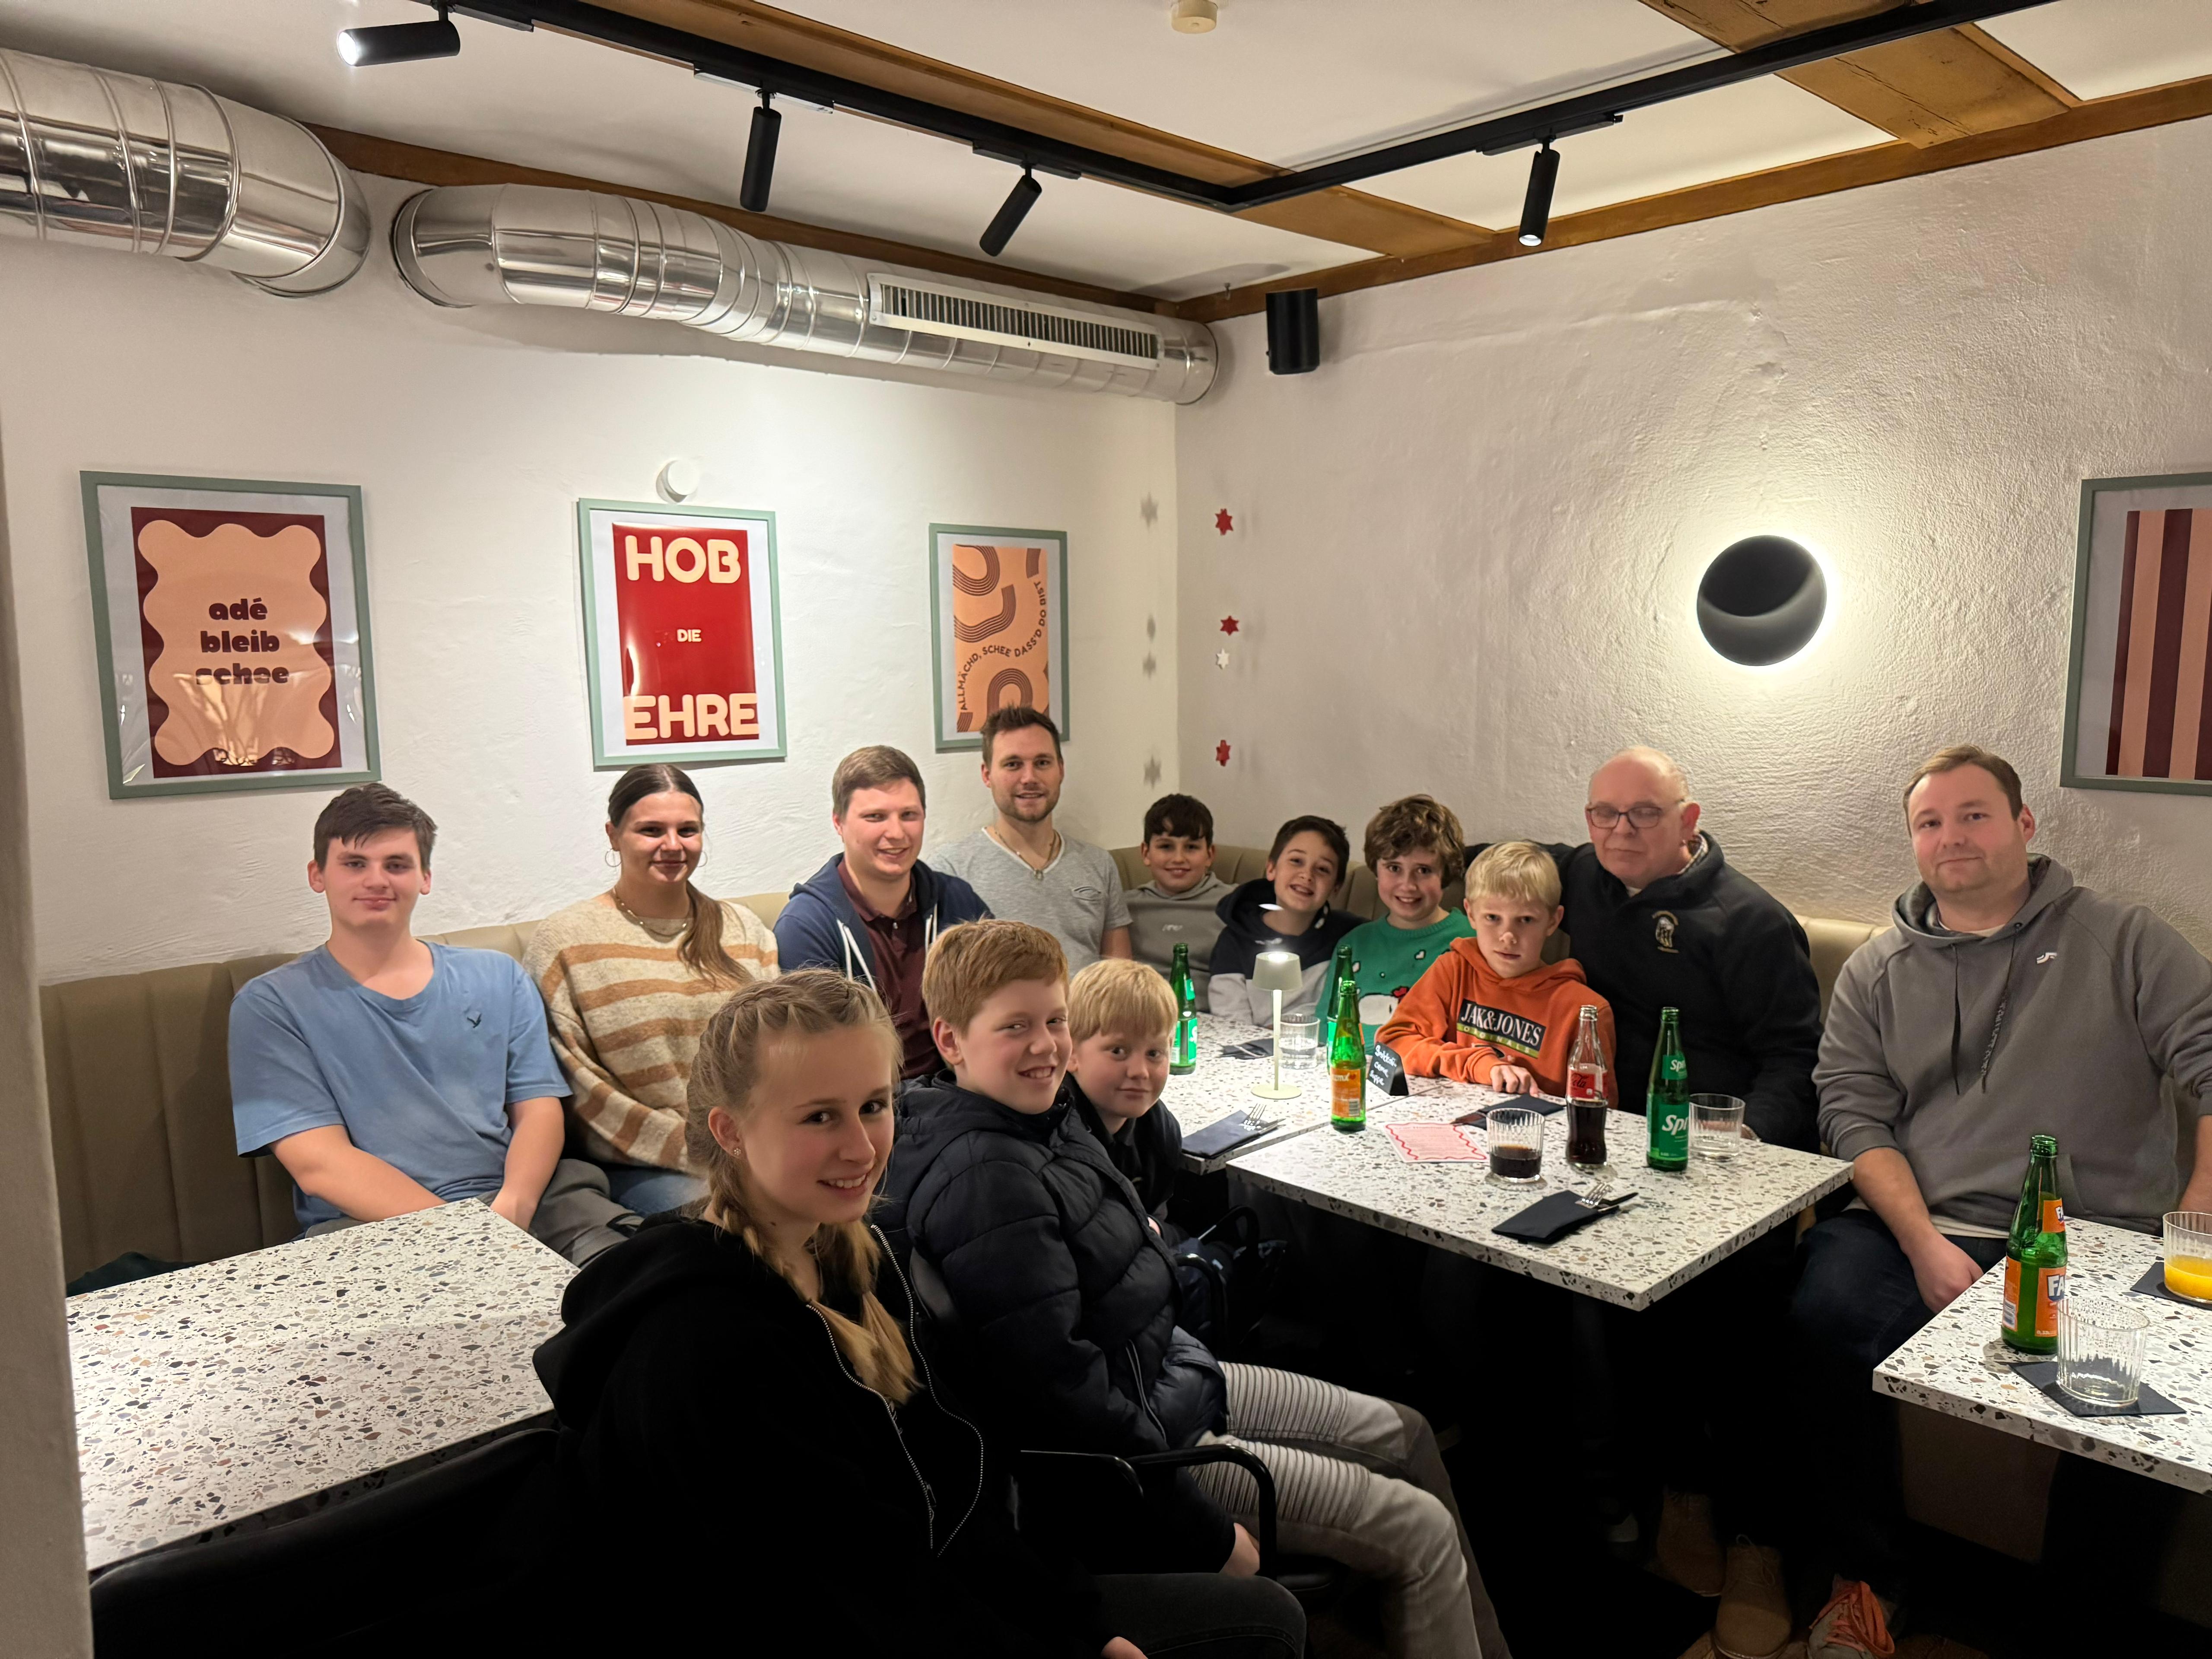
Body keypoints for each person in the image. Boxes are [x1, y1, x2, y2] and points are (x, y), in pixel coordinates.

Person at [531, 969, 1305, 1659]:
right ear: (730, 1132)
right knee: (1267, 1622)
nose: (862, 1148)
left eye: (873, 1106)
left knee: (1267, 1611)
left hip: (949, 1589)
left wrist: (1075, 1616)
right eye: (819, 1117)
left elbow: (958, 1479)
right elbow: (841, 1598)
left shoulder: (853, 1256)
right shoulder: (710, 1346)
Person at [881, 920, 1509, 1659]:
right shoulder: (989, 1180)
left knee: (1407, 1432)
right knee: (1420, 1529)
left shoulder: (1046, 1121)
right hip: (1159, 1450)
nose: (1046, 1047)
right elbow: (1066, 1406)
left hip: (1174, 1375)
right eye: (1015, 1027)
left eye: (1055, 1021)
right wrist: (1207, 1534)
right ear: (951, 1041)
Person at [1793, 744, 2212, 1656]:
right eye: (1930, 822)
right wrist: (1921, 1244)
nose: (1952, 836)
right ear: (1913, 842)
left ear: (2024, 824)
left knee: (2133, 1395)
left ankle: (2076, 1628)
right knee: (1823, 1312)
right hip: (1923, 1220)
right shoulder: (1875, 969)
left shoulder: (2126, 939)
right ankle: (1868, 1583)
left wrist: (2198, 1220)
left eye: (1974, 815)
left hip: (2094, 1235)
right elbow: (1852, 1113)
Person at [232, 784, 634, 1264]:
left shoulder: (498, 976)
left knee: (647, 1287)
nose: (376, 880)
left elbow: (538, 1109)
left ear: (425, 877)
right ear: (317, 875)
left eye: (397, 864)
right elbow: (319, 1164)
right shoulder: (271, 1004)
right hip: (370, 1230)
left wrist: (511, 1211)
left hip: (531, 1206)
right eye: (355, 864)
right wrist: (469, 1238)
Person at [1531, 747, 1821, 1150]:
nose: (1622, 830)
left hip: (1703, 1143)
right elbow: (1495, 864)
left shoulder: (1750, 921)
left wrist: (1741, 1135)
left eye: (1645, 813)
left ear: (1688, 821)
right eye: (1606, 813)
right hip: (1597, 1129)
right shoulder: (1584, 874)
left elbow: (1797, 1060)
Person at [525, 763, 779, 1218]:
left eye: (688, 830)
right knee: (738, 1228)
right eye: (651, 830)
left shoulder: (744, 930)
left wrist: (771, 1140)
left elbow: (782, 1053)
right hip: (643, 1165)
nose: (673, 845)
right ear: (613, 835)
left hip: (758, 1148)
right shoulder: (565, 943)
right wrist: (707, 1149)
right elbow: (581, 1089)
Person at [775, 744, 991, 1081]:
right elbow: (819, 1061)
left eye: (909, 815)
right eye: (875, 817)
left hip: (965, 1088)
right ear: (839, 823)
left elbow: (1000, 1005)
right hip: (868, 1102)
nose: (897, 833)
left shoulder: (959, 902)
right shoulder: (806, 926)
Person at [1377, 841, 1615, 1099]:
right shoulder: (1453, 970)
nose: (1508, 936)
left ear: (1553, 921)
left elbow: (1599, 1110)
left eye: (1526, 920)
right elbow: (1392, 1045)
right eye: (1493, 918)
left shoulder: (1584, 1011)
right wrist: (1476, 1063)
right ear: (1471, 914)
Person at [934, 706, 1132, 973]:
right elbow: (944, 983)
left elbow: (1120, 977)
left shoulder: (1099, 864)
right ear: (987, 775)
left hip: (1091, 1002)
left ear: (1061, 770)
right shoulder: (950, 870)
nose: (1029, 778)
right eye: (1013, 764)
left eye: (1042, 763)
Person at [1321, 795, 1477, 1045]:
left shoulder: (1472, 943)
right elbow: (1326, 1029)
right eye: (1394, 868)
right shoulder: (1352, 945)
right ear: (1376, 869)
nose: (1408, 885)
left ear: (1446, 875)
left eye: (1424, 870)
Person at [1207, 816, 1360, 1024]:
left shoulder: (1349, 936)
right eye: (1297, 861)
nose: (1307, 875)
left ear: (1336, 887)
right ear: (1272, 869)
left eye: (1323, 869)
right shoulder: (1235, 941)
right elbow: (1231, 1025)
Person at [1067, 959, 1185, 1227]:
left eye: (1154, 1053)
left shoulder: (1161, 1131)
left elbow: (1158, 1218)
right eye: (1118, 1051)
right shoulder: (1052, 1136)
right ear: (1071, 1053)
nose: (1140, 1072)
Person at [1125, 793, 1232, 1004]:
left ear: (1210, 855)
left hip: (1209, 1014)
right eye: (1166, 847)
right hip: (1140, 1014)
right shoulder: (1124, 908)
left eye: (1191, 847)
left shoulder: (1234, 906)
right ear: (1146, 853)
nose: (1178, 859)